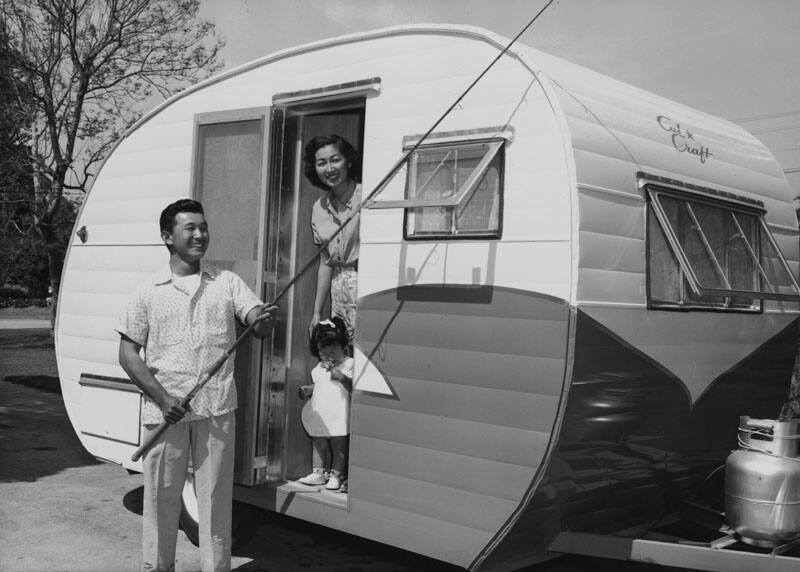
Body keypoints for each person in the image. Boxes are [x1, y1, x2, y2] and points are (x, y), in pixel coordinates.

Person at [117, 198, 277, 572]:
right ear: (167, 236)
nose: (200, 234)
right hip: (165, 414)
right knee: (160, 499)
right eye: (189, 228)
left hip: (217, 407)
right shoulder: (147, 291)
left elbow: (256, 321)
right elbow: (127, 354)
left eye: (203, 227)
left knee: (215, 500)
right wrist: (162, 396)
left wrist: (263, 320)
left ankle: (216, 567)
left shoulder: (227, 282)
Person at [303, 134, 362, 343]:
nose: (329, 169)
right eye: (322, 163)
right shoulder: (318, 208)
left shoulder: (366, 196)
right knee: (344, 354)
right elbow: (325, 263)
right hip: (339, 291)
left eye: (335, 160)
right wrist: (317, 312)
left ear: (349, 160)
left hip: (366, 286)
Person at [297, 317, 353, 492]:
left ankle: (337, 474)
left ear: (344, 348)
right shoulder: (319, 369)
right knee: (318, 441)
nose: (329, 358)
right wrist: (308, 389)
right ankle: (319, 472)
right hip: (322, 412)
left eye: (333, 353)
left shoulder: (348, 365)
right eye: (323, 353)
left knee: (338, 445)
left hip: (339, 414)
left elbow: (354, 388)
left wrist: (342, 378)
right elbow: (321, 385)